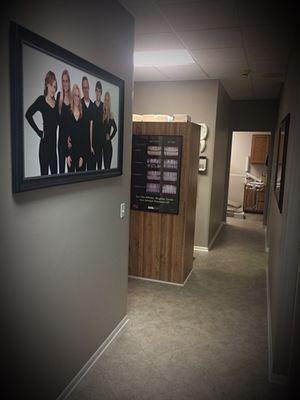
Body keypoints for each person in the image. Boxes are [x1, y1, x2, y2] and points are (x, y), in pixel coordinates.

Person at [25, 71, 59, 175]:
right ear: (47, 85)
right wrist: (39, 132)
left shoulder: (57, 104)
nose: (54, 89)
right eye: (52, 86)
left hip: (54, 150)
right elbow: (28, 114)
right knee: (43, 181)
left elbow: (61, 123)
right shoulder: (41, 100)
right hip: (44, 148)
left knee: (55, 182)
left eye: (55, 86)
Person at [66, 84, 87, 172]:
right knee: (70, 184)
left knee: (81, 183)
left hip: (81, 154)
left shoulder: (83, 115)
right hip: (71, 154)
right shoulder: (68, 113)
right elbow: (65, 135)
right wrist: (67, 155)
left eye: (78, 96)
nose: (77, 98)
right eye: (75, 95)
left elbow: (85, 138)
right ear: (72, 97)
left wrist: (82, 156)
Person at [56, 69, 71, 173]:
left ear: (69, 82)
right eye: (63, 81)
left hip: (70, 141)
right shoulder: (59, 96)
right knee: (61, 171)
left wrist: (70, 139)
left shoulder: (72, 98)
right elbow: (57, 119)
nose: (65, 83)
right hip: (61, 140)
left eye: (67, 80)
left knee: (71, 172)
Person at [90, 80, 104, 170]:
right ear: (95, 91)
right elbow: (90, 126)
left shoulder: (104, 106)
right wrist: (90, 144)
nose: (98, 93)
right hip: (94, 141)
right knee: (92, 167)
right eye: (97, 91)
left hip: (101, 142)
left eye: (100, 91)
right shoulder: (92, 106)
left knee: (99, 167)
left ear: (101, 93)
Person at [81, 76, 94, 171]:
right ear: (82, 89)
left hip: (90, 146)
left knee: (90, 173)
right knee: (80, 174)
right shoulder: (79, 104)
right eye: (84, 87)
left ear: (89, 87)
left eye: (87, 87)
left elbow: (91, 127)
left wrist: (91, 145)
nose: (85, 89)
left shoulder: (93, 106)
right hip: (80, 146)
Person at [102, 91, 117, 169]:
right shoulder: (102, 113)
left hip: (108, 146)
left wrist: (110, 137)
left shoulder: (110, 115)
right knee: (104, 168)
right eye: (105, 99)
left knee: (107, 168)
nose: (106, 102)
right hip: (102, 145)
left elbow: (115, 129)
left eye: (108, 100)